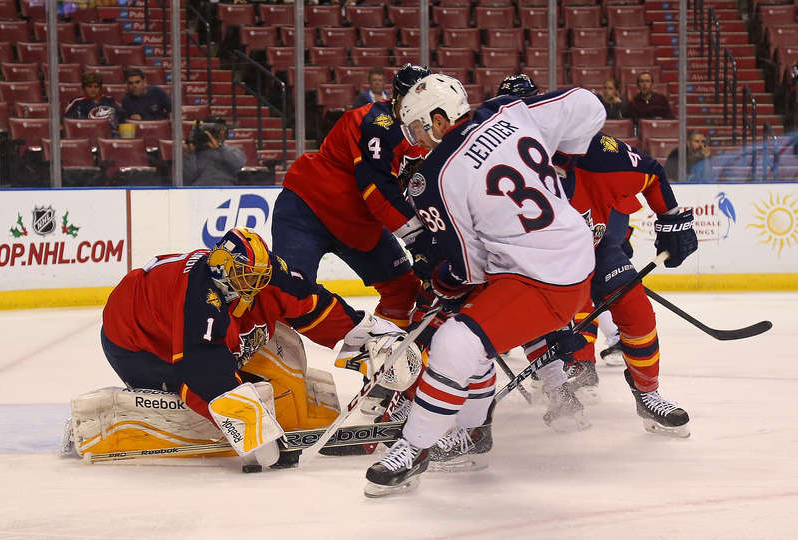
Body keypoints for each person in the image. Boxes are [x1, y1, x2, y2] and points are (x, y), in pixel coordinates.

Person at [363, 74, 605, 497]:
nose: (417, 140)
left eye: (419, 128)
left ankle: (415, 445)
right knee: (471, 331)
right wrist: (561, 167)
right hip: (570, 253)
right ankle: (473, 436)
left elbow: (468, 269)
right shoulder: (507, 111)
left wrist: (441, 280)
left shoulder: (435, 176)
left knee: (456, 341)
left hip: (543, 278)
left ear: (439, 120)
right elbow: (589, 106)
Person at [94, 226, 412, 467]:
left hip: (191, 331)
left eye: (259, 277)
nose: (255, 285)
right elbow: (201, 368)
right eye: (246, 277)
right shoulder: (201, 297)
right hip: (137, 342)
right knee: (191, 384)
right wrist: (251, 430)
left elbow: (314, 304)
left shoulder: (267, 275)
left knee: (282, 353)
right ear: (222, 268)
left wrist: (368, 339)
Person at [497, 75, 697, 437]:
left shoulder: (595, 152)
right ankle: (556, 385)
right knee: (536, 321)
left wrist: (671, 219)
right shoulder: (491, 168)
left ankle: (648, 393)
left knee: (634, 308)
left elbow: (650, 173)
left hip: (596, 247)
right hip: (533, 262)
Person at [271, 63, 431, 332]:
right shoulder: (372, 122)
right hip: (308, 209)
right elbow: (378, 192)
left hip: (359, 226)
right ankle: (361, 340)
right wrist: (419, 242)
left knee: (403, 290)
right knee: (288, 295)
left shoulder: (429, 133)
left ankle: (385, 361)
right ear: (398, 97)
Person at [183, 116, 246, 186]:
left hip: (226, 191)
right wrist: (191, 151)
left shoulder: (232, 150)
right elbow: (186, 178)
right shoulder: (196, 153)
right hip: (199, 192)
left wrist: (220, 147)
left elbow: (238, 165)